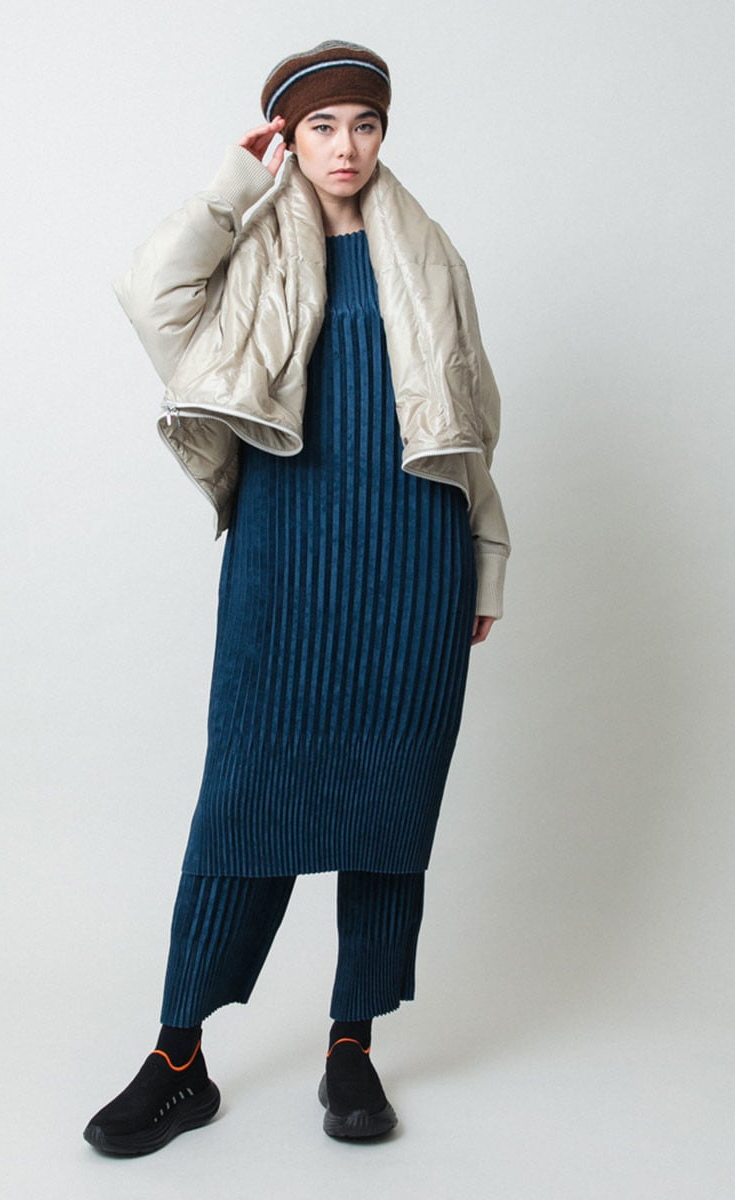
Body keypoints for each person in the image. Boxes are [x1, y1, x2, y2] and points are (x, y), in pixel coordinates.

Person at [84, 39, 510, 1156]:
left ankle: (351, 1046)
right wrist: (236, 183)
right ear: (288, 137)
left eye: (363, 124)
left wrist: (486, 556)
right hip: (288, 553)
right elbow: (150, 293)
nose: (345, 146)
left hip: (416, 557)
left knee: (388, 802)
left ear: (383, 132)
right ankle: (178, 1060)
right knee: (246, 798)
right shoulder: (254, 241)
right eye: (321, 126)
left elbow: (470, 416)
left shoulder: (429, 251)